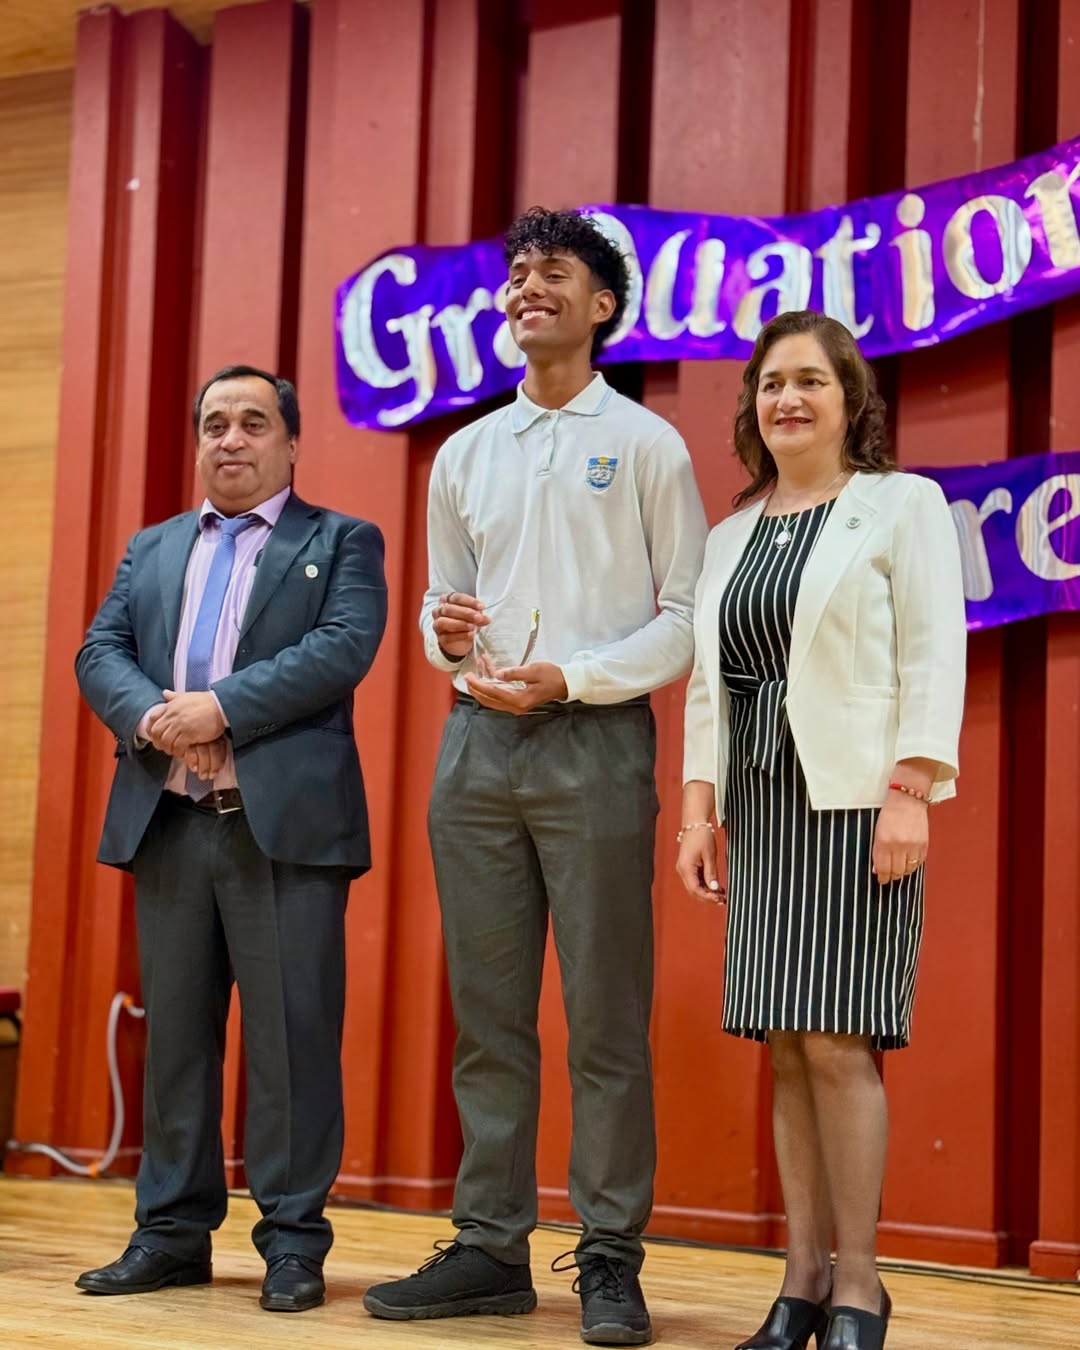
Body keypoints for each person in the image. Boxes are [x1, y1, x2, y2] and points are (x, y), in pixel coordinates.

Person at [362, 208, 707, 1346]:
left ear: (602, 306)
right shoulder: (465, 453)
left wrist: (577, 676)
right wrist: (447, 637)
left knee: (605, 1021)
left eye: (552, 272)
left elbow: (683, 619)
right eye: (515, 274)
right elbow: (440, 605)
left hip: (594, 743)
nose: (525, 288)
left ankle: (608, 1257)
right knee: (489, 1019)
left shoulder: (648, 444)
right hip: (476, 749)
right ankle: (490, 1248)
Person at [677, 310, 965, 1350]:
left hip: (855, 803)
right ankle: (800, 1281)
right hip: (761, 809)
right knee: (788, 1047)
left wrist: (912, 788)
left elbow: (933, 650)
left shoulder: (900, 505)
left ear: (851, 400)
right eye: (771, 383)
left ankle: (860, 1287)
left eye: (810, 380)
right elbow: (709, 686)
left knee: (840, 1043)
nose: (788, 398)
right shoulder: (730, 534)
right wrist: (698, 811)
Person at [73, 365, 387, 1313]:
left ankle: (292, 1243)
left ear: (291, 442)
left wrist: (219, 709)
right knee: (176, 1044)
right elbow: (101, 652)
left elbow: (341, 648)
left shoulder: (341, 541)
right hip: (170, 824)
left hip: (280, 833)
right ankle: (170, 1233)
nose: (231, 439)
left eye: (254, 422)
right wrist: (157, 719)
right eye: (215, 423)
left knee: (292, 1047)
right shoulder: (154, 547)